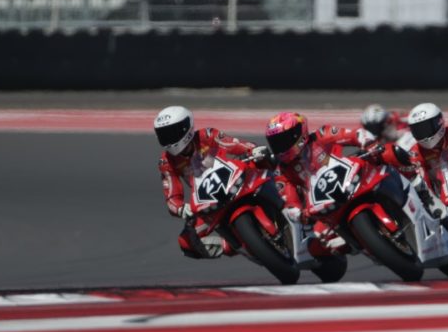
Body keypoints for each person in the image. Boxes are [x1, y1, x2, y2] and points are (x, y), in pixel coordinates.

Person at [154, 105, 270, 259]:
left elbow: (232, 143)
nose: (169, 139)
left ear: (186, 128)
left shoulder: (206, 135)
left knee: (265, 160)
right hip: (208, 199)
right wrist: (181, 209)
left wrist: (251, 149)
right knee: (186, 242)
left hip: (233, 177)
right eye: (164, 135)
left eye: (172, 132)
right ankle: (233, 244)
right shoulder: (166, 162)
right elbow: (171, 196)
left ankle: (287, 197)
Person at [264, 111, 381, 256]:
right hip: (327, 206)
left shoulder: (322, 134)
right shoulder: (283, 170)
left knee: (388, 153)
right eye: (276, 143)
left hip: (352, 179)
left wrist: (367, 142)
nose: (281, 146)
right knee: (315, 246)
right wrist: (297, 213)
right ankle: (357, 243)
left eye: (284, 139)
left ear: (298, 133)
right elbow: (289, 200)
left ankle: (405, 183)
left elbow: (354, 134)